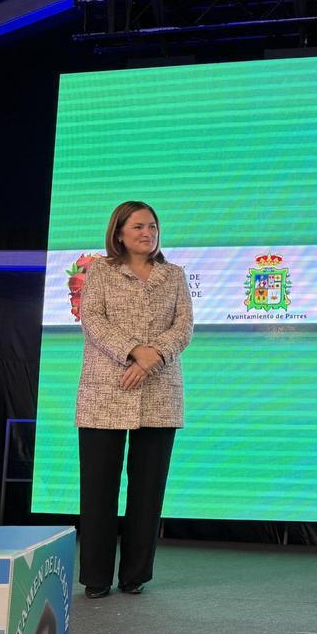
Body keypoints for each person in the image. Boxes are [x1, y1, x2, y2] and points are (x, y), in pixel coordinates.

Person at [76, 201, 193, 599]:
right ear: (120, 233)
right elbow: (92, 320)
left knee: (147, 490)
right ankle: (95, 577)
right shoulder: (101, 272)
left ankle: (135, 575)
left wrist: (152, 357)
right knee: (98, 490)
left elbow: (184, 327)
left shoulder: (174, 276)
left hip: (159, 393)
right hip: (105, 391)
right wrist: (131, 351)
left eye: (154, 226)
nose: (148, 232)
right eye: (139, 226)